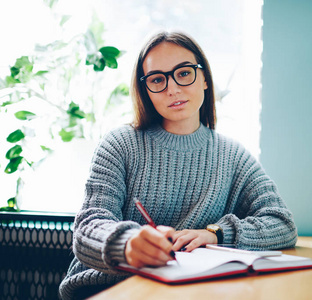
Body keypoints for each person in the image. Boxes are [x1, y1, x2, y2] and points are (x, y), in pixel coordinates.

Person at [59, 31, 297, 299]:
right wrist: (126, 245)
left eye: (184, 73)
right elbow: (88, 227)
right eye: (157, 79)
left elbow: (282, 223)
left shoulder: (233, 156)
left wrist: (217, 234)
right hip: (111, 287)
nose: (172, 88)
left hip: (191, 291)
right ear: (145, 90)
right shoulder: (120, 143)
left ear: (205, 78)